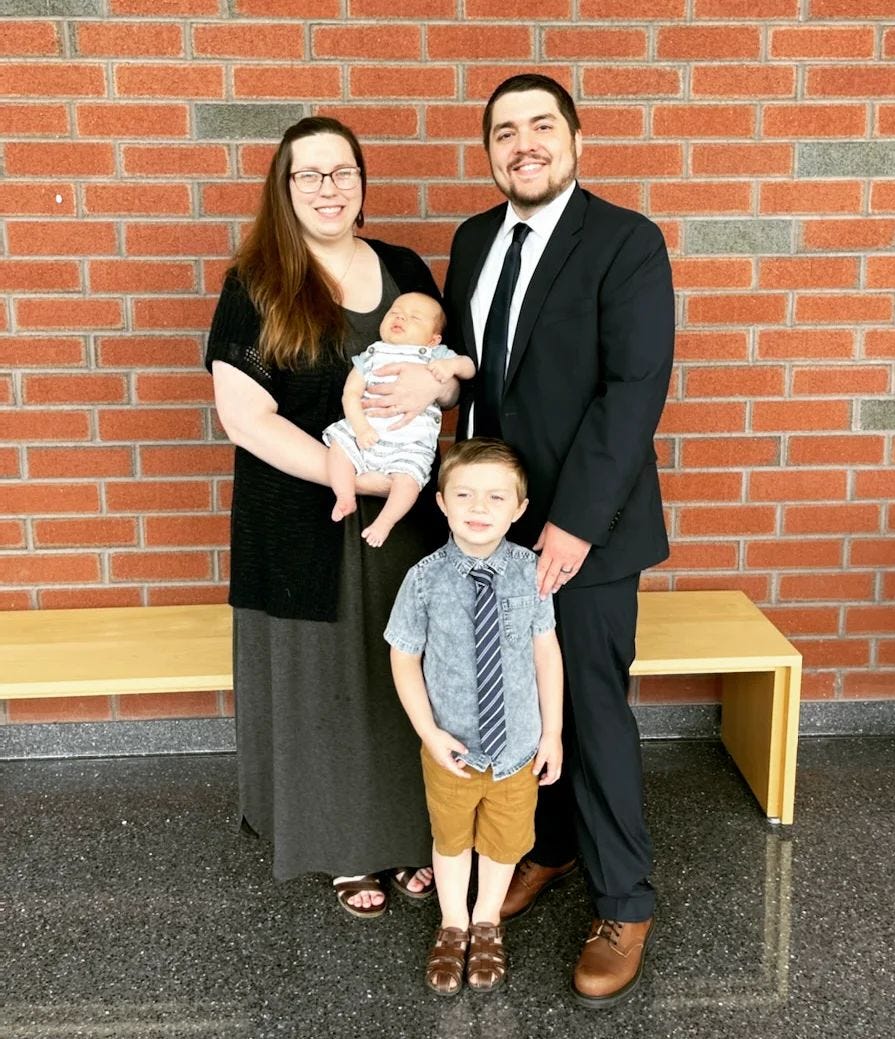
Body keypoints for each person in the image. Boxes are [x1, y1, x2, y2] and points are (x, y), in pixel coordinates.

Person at [375, 74, 675, 1007]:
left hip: (586, 530)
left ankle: (625, 901)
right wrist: (425, 391)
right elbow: (472, 372)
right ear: (490, 151)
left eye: (542, 125)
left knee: (586, 708)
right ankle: (545, 847)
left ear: (576, 139)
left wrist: (572, 524)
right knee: (509, 699)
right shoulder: (473, 239)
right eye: (505, 131)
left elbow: (633, 390)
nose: (524, 144)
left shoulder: (626, 241)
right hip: (486, 530)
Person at [205, 115, 464, 919]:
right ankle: (341, 843)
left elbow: (450, 374)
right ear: (284, 190)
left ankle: (412, 832)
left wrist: (437, 387)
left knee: (404, 673)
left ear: (361, 182)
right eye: (309, 174)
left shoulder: (404, 268)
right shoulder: (255, 284)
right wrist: (358, 476)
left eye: (342, 171)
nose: (328, 188)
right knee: (323, 684)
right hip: (298, 517)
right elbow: (246, 418)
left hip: (404, 525)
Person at [385, 438, 563, 995]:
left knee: (505, 842)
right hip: (452, 749)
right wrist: (428, 733)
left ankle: (486, 922)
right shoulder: (423, 579)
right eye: (464, 495)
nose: (479, 507)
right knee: (451, 838)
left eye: (495, 497)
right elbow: (403, 657)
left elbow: (546, 653)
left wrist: (553, 733)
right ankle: (453, 924)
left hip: (517, 749)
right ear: (441, 503)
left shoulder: (532, 573)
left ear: (519, 508)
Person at [323, 291, 476, 547]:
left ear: (433, 339)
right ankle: (345, 495)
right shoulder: (371, 355)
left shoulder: (436, 355)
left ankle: (385, 521)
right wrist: (360, 428)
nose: (401, 318)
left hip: (409, 442)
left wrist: (451, 367)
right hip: (366, 431)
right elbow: (350, 393)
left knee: (408, 481)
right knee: (338, 447)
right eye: (395, 312)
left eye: (414, 318)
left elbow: (469, 367)